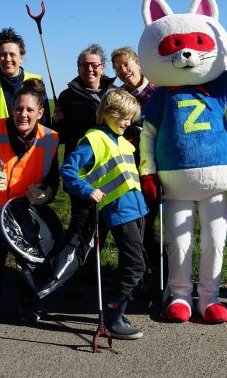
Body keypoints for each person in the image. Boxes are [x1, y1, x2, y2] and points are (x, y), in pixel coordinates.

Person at [0, 78, 60, 324]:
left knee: (29, 258)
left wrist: (46, 193)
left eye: (30, 110)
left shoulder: (50, 139)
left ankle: (28, 304)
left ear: (40, 112)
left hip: (23, 211)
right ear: (11, 109)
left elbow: (53, 181)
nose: (23, 115)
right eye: (19, 108)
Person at [60, 89, 148, 340]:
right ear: (108, 113)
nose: (128, 123)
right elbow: (68, 170)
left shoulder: (122, 140)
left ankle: (119, 312)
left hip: (137, 208)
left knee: (135, 262)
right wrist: (87, 190)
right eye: (124, 117)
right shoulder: (95, 139)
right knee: (135, 265)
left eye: (131, 118)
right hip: (119, 211)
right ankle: (111, 316)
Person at [52, 44, 115, 294]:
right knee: (79, 224)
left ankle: (90, 271)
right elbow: (60, 137)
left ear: (102, 67)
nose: (89, 69)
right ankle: (68, 274)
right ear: (78, 68)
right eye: (84, 65)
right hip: (81, 171)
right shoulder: (67, 96)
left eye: (94, 65)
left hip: (110, 170)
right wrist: (56, 123)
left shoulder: (114, 93)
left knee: (103, 225)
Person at [110, 46, 163, 304]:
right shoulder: (119, 96)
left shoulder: (158, 91)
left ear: (138, 64)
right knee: (136, 227)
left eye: (126, 64)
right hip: (129, 169)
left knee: (152, 228)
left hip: (155, 167)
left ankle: (161, 279)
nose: (123, 71)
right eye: (118, 67)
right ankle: (137, 279)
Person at [0, 27, 51, 126]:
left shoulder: (37, 83)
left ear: (21, 57)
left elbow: (45, 123)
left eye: (12, 54)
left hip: (30, 141)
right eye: (3, 54)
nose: (7, 59)